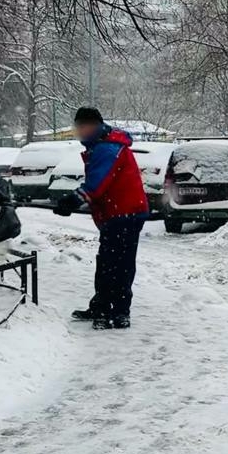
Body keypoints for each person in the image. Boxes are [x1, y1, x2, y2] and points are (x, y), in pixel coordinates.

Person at [54, 108, 148, 330]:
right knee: (109, 263)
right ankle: (104, 307)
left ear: (93, 125)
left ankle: (116, 312)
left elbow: (97, 183)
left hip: (125, 214)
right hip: (120, 213)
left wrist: (73, 200)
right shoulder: (104, 144)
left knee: (117, 265)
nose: (78, 132)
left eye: (81, 127)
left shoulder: (107, 148)